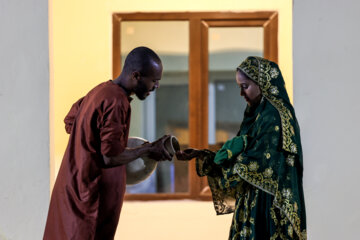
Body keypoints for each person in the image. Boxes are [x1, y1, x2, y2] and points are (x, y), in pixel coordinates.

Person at [43, 47, 172, 240]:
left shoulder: (100, 91)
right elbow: (110, 156)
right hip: (88, 202)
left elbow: (71, 122)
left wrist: (86, 145)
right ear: (136, 76)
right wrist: (148, 149)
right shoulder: (116, 101)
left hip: (71, 190)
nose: (156, 86)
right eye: (154, 81)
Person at [177, 57, 307, 240]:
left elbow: (256, 162)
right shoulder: (257, 114)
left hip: (269, 206)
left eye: (245, 86)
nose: (241, 93)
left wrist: (218, 159)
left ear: (261, 83)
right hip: (253, 200)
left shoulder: (275, 115)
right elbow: (243, 152)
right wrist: (204, 155)